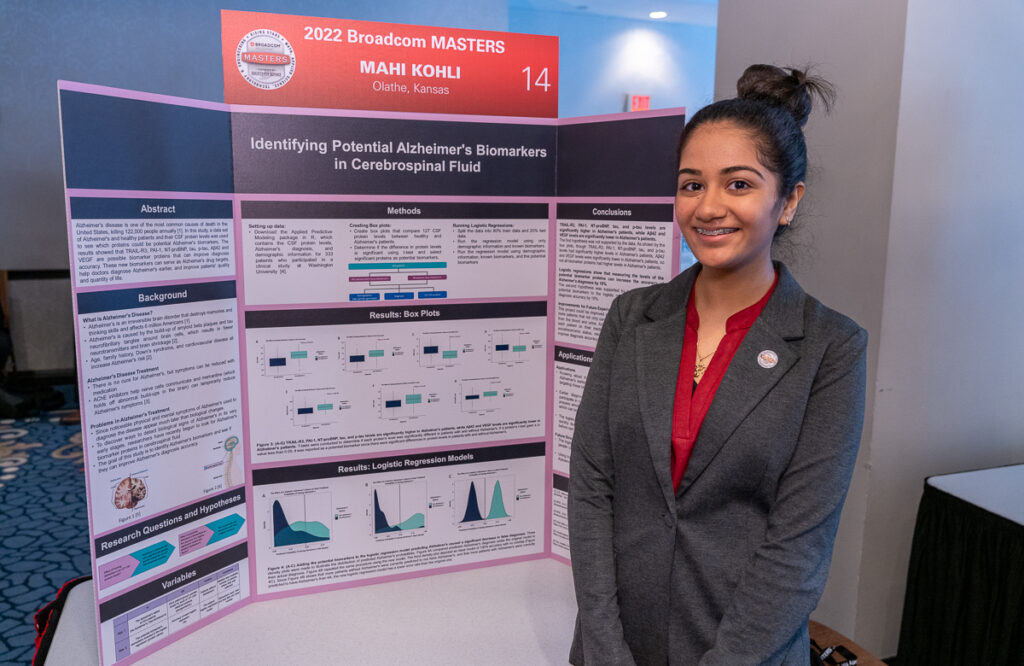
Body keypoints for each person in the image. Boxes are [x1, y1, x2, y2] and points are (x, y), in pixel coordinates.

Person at [568, 64, 868, 665]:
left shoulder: (831, 348)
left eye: (738, 184)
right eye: (690, 184)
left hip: (743, 652)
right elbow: (592, 490)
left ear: (788, 201)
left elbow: (798, 547)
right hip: (618, 646)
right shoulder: (632, 318)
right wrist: (605, 648)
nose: (708, 208)